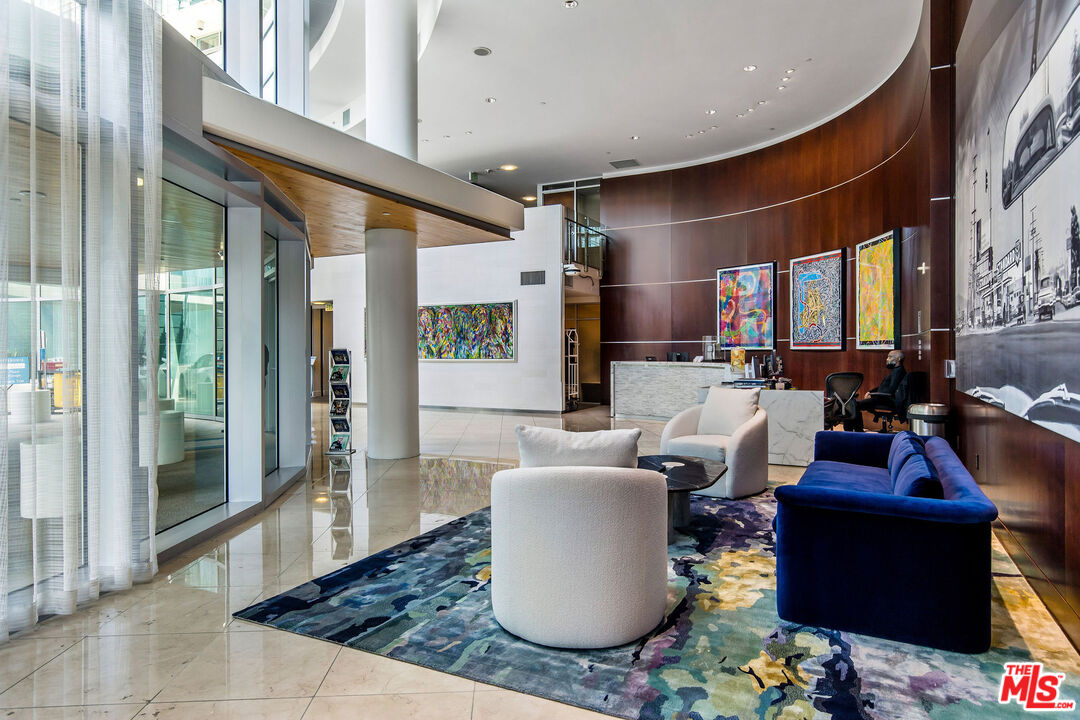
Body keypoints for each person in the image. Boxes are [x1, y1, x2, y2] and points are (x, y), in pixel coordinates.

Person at [852, 350, 906, 431]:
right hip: (882, 398)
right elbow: (882, 387)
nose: (887, 359)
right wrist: (870, 392)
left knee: (854, 405)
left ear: (898, 359)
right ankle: (857, 430)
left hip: (886, 400)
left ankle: (857, 431)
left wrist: (873, 395)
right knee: (855, 404)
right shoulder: (896, 371)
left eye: (890, 357)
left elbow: (890, 391)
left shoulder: (899, 372)